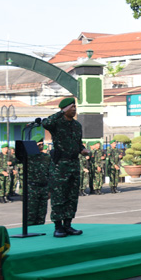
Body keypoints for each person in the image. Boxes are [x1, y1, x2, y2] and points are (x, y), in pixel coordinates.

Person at [42, 97, 88, 238]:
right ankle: (58, 226)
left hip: (74, 163)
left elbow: (78, 143)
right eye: (71, 107)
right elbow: (45, 123)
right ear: (65, 109)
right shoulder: (56, 123)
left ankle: (68, 225)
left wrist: (83, 149)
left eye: (75, 107)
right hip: (60, 165)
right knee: (59, 196)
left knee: (72, 196)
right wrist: (61, 112)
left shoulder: (76, 125)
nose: (74, 109)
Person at [26, 140, 53, 225]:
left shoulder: (46, 157)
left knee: (42, 214)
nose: (41, 147)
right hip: (32, 188)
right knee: (31, 214)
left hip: (44, 187)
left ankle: (40, 231)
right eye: (38, 145)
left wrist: (50, 189)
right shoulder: (28, 157)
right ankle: (30, 232)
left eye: (42, 144)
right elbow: (14, 160)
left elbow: (50, 173)